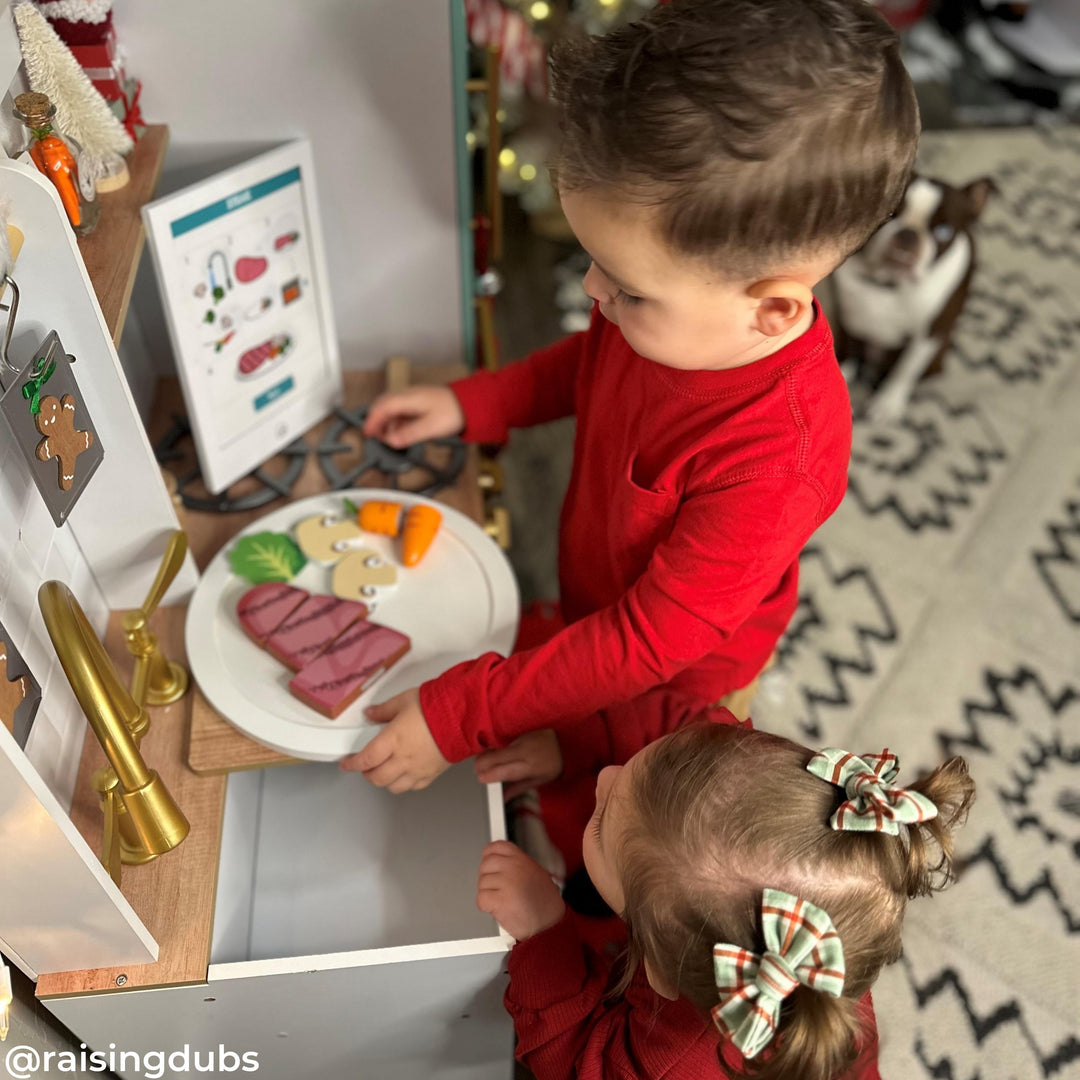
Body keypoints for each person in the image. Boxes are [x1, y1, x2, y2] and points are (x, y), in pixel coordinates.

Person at [342, 0, 920, 795]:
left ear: (774, 309)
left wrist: (467, 716)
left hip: (674, 685)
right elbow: (590, 365)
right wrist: (478, 402)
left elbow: (644, 644)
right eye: (594, 262)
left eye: (627, 287)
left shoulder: (779, 462)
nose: (591, 289)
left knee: (609, 809)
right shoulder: (666, 322)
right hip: (599, 608)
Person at [476, 720, 975, 1080]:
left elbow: (578, 1061)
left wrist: (545, 933)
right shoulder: (820, 942)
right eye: (638, 762)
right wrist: (577, 741)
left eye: (602, 823)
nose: (605, 776)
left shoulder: (665, 1065)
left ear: (660, 973)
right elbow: (682, 714)